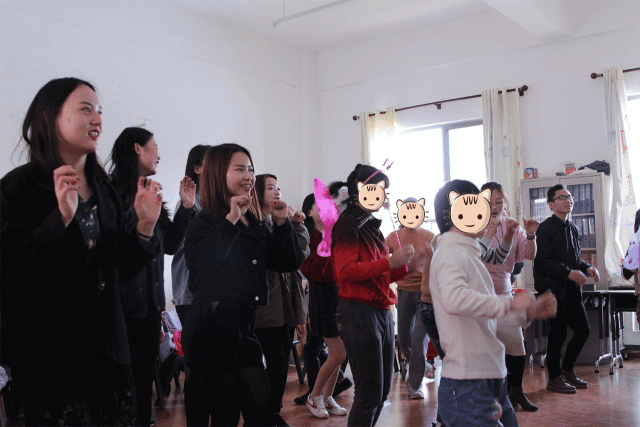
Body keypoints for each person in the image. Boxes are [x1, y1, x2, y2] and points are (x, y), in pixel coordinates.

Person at [0, 77, 163, 426]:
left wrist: (144, 228)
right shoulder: (17, 188)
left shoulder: (104, 189)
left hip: (109, 353)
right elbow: (13, 271)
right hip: (50, 355)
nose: (98, 120)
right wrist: (60, 218)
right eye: (86, 109)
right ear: (49, 117)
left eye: (99, 111)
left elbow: (117, 271)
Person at [181, 143, 303, 427]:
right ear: (218, 173)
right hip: (211, 334)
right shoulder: (204, 221)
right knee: (224, 417)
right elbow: (203, 265)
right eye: (240, 169)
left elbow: (286, 261)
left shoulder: (252, 220)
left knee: (263, 415)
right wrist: (231, 219)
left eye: (250, 169)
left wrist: (282, 223)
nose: (249, 176)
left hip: (244, 332)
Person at [430, 180, 557, 427]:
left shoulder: (469, 253)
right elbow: (456, 300)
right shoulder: (450, 253)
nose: (488, 213)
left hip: (488, 374)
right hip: (468, 383)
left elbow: (485, 313)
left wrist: (528, 311)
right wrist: (510, 305)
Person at [109, 127, 197, 427]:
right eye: (154, 146)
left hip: (150, 305)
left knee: (143, 379)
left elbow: (170, 244)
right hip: (120, 307)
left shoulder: (152, 192)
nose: (159, 153)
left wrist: (186, 207)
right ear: (138, 148)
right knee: (121, 383)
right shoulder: (112, 193)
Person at [331, 164, 418, 427]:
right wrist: (390, 262)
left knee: (380, 394)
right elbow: (344, 272)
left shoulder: (371, 226)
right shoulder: (347, 224)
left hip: (380, 311)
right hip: (359, 313)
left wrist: (407, 265)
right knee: (369, 394)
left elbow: (380, 275)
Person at [253, 174, 310, 427]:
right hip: (266, 307)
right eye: (270, 188)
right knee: (274, 362)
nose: (277, 191)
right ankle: (266, 414)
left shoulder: (279, 221)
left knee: (280, 363)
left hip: (286, 304)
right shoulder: (257, 223)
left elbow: (300, 254)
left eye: (278, 187)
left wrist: (295, 225)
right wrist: (281, 223)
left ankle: (272, 412)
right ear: (257, 192)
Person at [480, 181, 540, 411]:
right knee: (486, 351)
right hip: (480, 296)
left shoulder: (511, 225)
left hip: (504, 293)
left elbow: (529, 255)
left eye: (499, 202)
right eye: (489, 202)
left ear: (505, 203)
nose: (495, 207)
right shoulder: (475, 225)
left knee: (516, 347)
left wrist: (531, 235)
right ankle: (496, 397)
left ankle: (516, 391)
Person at [534, 184, 599, 393]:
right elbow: (542, 262)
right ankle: (554, 378)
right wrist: (569, 272)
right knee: (558, 335)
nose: (568, 200)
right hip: (554, 292)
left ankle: (567, 370)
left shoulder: (572, 228)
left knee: (583, 330)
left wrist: (587, 268)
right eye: (562, 197)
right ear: (551, 205)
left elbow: (574, 260)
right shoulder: (544, 229)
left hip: (572, 291)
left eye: (569, 197)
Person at [297, 193, 349, 419]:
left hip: (339, 295)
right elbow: (312, 272)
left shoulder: (335, 234)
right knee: (338, 353)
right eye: (320, 206)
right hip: (321, 296)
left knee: (340, 353)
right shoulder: (307, 237)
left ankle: (327, 397)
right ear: (309, 212)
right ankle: (314, 395)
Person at [385, 197, 435, 399]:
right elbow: (381, 259)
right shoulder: (392, 237)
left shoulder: (430, 236)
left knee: (419, 341)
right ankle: (417, 365)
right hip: (404, 292)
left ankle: (415, 384)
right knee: (404, 340)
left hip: (426, 293)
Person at [171, 144, 212, 326]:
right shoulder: (188, 204)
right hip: (190, 293)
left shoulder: (216, 204)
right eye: (211, 162)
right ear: (197, 169)